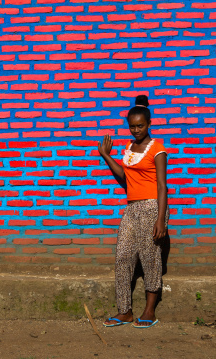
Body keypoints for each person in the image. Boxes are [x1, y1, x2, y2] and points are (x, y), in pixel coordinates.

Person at [97, 95, 169, 329]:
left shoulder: (157, 149)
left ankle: (149, 311)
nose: (136, 130)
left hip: (152, 207)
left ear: (149, 124)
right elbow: (125, 178)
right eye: (132, 126)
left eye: (140, 126)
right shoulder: (129, 148)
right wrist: (106, 156)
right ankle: (125, 311)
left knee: (150, 259)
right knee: (123, 256)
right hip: (132, 207)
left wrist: (160, 218)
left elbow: (161, 185)